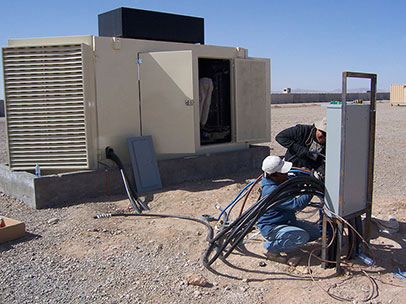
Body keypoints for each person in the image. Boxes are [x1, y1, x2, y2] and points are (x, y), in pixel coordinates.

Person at [257, 155, 320, 264]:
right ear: (274, 175)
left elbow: (295, 185)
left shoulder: (280, 180)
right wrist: (311, 187)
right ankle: (270, 248)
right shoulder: (272, 191)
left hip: (286, 221)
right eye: (284, 172)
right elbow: (297, 204)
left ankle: (285, 238)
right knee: (301, 237)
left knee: (314, 233)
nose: (287, 174)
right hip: (272, 226)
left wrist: (306, 177)